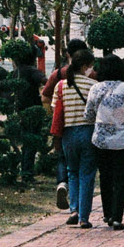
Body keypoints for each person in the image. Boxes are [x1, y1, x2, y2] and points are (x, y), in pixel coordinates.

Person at [82, 55, 124, 229]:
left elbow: (88, 115)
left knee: (105, 177)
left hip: (101, 140)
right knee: (120, 179)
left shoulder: (95, 89)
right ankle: (117, 218)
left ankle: (107, 214)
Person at [49, 43, 99, 228]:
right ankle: (84, 217)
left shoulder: (61, 85)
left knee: (72, 172)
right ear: (86, 66)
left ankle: (74, 209)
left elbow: (56, 109)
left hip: (68, 133)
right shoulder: (93, 85)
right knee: (87, 174)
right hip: (88, 132)